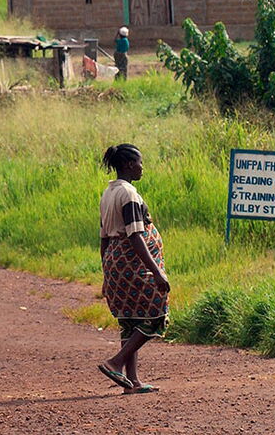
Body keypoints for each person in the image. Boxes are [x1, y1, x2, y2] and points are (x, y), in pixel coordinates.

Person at [97, 144, 169, 396]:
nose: (142, 167)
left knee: (130, 319)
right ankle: (115, 363)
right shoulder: (128, 194)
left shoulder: (108, 192)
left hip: (115, 261)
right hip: (132, 262)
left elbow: (104, 238)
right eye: (140, 162)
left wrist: (107, 272)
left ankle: (132, 381)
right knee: (156, 314)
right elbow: (136, 235)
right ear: (129, 165)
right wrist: (157, 271)